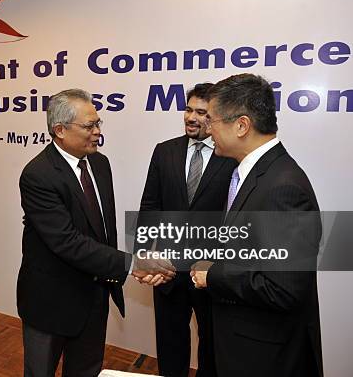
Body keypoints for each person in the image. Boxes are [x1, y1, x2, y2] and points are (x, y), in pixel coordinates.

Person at [17, 89, 175, 377]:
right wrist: (133, 263)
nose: (97, 132)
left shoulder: (100, 164)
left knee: (87, 371)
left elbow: (103, 231)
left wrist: (122, 267)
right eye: (89, 126)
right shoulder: (37, 175)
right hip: (51, 302)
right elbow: (67, 242)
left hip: (94, 297)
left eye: (98, 123)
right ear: (60, 130)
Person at [191, 73, 323, 377]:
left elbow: (284, 288)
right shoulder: (255, 173)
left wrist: (213, 276)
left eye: (211, 120)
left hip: (263, 355)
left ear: (241, 125)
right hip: (241, 343)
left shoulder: (283, 188)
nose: (208, 131)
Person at [140, 83, 236, 377]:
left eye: (201, 112)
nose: (191, 117)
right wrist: (145, 253)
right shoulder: (164, 151)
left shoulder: (232, 157)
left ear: (217, 117)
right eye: (188, 109)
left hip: (210, 273)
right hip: (167, 270)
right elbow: (150, 207)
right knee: (170, 343)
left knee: (213, 347)